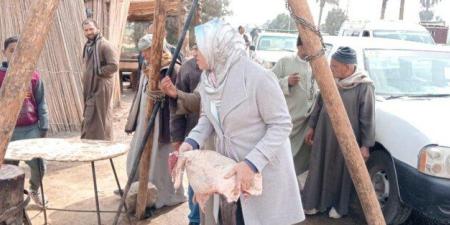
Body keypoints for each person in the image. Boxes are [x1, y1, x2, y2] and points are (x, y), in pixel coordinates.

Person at [178, 18, 305, 225]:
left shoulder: (258, 78)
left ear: (216, 48)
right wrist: (190, 142)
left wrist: (252, 163)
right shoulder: (209, 79)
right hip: (231, 171)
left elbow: (281, 125)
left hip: (263, 171)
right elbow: (208, 118)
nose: (194, 53)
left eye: (198, 48)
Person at [302, 46, 376, 219]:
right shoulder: (330, 80)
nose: (331, 69)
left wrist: (365, 145)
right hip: (324, 134)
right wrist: (311, 126)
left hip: (348, 139)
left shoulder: (364, 86)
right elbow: (319, 105)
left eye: (334, 66)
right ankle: (313, 203)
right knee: (319, 166)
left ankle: (338, 206)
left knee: (341, 171)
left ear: (348, 68)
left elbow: (367, 118)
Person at [126, 34, 186, 209]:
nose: (144, 55)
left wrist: (164, 95)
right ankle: (139, 188)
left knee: (160, 161)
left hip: (162, 123)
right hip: (146, 121)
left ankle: (163, 195)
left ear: (157, 49)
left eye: (147, 51)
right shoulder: (148, 66)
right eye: (143, 52)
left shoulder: (172, 69)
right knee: (139, 155)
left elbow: (179, 99)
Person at [1, 36, 49, 206]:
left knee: (39, 165)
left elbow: (41, 100)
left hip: (30, 129)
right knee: (8, 168)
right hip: (7, 132)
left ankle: (34, 189)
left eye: (18, 50)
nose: (15, 54)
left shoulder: (33, 74)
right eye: (11, 50)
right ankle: (14, 198)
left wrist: (44, 124)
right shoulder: (0, 75)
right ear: (4, 53)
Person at [161, 44, 203, 225]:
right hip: (194, 136)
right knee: (195, 183)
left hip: (222, 142)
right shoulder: (188, 68)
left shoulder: (226, 71)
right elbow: (177, 107)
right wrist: (177, 139)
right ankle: (194, 221)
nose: (196, 55)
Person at [271, 35, 317, 178]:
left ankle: (292, 179)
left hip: (306, 122)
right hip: (289, 119)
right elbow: (268, 84)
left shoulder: (316, 65)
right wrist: (286, 82)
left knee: (301, 156)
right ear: (299, 47)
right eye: (307, 46)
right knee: (282, 153)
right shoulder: (285, 62)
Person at [81, 19, 119, 141]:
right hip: (91, 87)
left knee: (101, 116)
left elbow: (114, 66)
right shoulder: (88, 46)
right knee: (92, 115)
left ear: (97, 28)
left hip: (101, 86)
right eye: (86, 30)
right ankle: (91, 144)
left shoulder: (105, 45)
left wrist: (98, 72)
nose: (89, 32)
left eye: (91, 29)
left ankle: (103, 144)